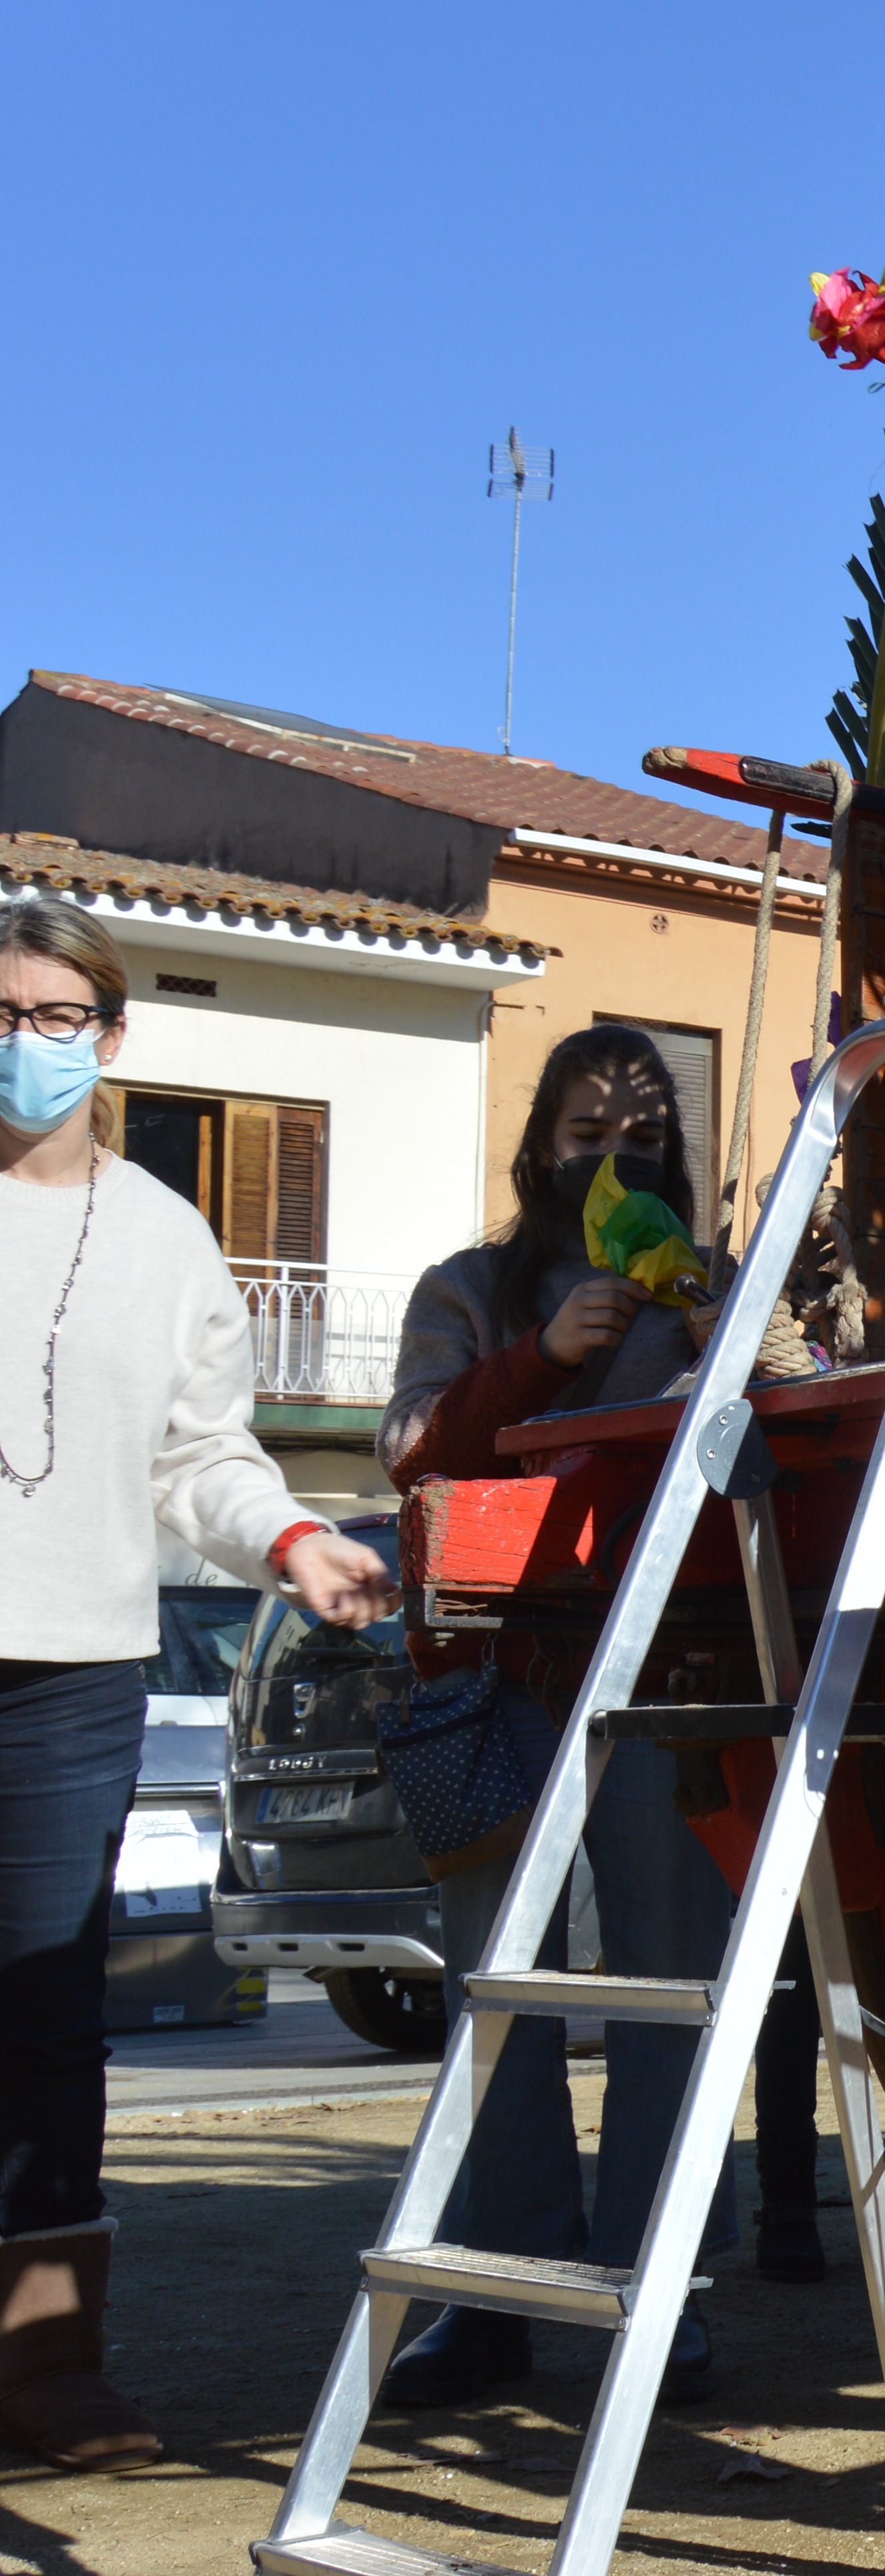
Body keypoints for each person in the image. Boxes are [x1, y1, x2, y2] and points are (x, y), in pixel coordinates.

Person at [0, 898, 398, 2472]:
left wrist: (291, 1532)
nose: (19, 1040)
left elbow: (203, 1461)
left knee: (43, 2012)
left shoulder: (167, 1237)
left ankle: (45, 2362)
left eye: (48, 1015)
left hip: (76, 1673)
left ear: (107, 1039)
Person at [371, 1026, 781, 2409]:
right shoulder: (468, 1289)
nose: (615, 1155)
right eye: (586, 1130)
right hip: (494, 1684)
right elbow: (414, 1454)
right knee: (498, 2000)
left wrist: (748, 1337)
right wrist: (539, 1357)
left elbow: (797, 1433)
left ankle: (662, 2289)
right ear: (537, 1144)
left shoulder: (714, 1291)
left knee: (669, 1991)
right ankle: (492, 2294)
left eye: (645, 1134)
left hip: (667, 1683)